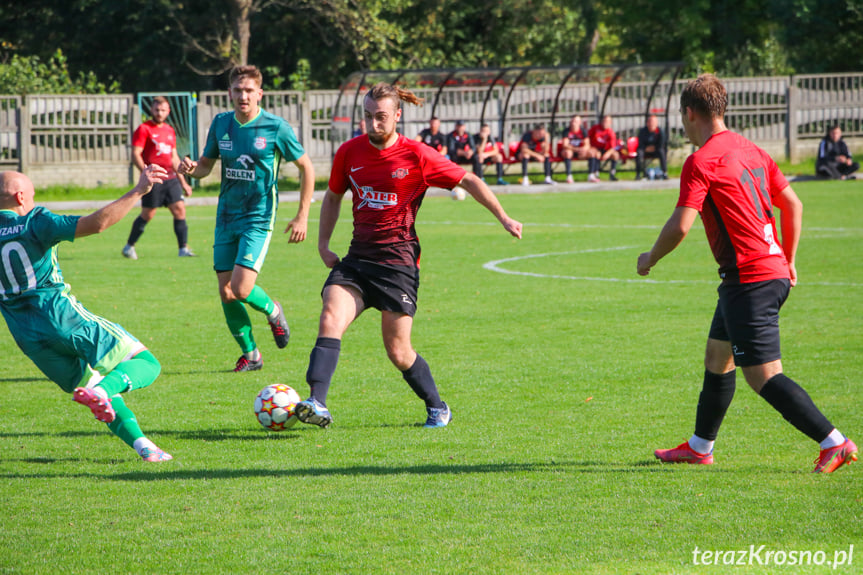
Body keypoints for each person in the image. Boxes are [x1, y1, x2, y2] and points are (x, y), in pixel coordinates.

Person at [637, 74, 856, 474]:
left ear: (689, 113)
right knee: (717, 356)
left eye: (682, 117)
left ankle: (834, 441)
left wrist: (650, 257)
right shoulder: (752, 150)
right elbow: (793, 205)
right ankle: (701, 446)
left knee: (764, 377)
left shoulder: (701, 161)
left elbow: (682, 225)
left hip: (750, 278)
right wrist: (788, 259)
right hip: (760, 272)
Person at [293, 82, 522, 430]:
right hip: (357, 260)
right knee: (329, 317)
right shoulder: (349, 152)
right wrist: (323, 244)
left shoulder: (417, 155)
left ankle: (437, 406)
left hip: (397, 265)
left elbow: (469, 180)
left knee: (398, 351)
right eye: (367, 117)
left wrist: (503, 217)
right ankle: (317, 402)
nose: (372, 125)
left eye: (381, 118)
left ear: (398, 116)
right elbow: (333, 197)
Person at [0, 166, 173, 462]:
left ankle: (144, 447)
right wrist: (137, 191)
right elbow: (97, 224)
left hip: (25, 335)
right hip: (62, 317)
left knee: (92, 389)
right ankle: (105, 391)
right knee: (147, 363)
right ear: (20, 196)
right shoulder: (35, 221)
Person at [178, 65, 315, 372]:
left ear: (260, 94)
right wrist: (190, 169)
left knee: (241, 288)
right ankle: (251, 355)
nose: (243, 96)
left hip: (258, 215)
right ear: (230, 93)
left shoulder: (275, 127)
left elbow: (307, 167)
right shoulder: (221, 123)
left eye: (249, 90)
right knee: (225, 291)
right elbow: (205, 166)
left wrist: (302, 215)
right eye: (238, 90)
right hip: (226, 216)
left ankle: (272, 309)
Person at [122, 96, 196, 260]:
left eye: (163, 110)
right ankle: (129, 246)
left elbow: (174, 158)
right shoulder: (144, 129)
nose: (160, 113)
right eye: (157, 110)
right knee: (148, 214)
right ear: (151, 110)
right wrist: (146, 174)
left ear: (168, 111)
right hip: (154, 179)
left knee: (180, 210)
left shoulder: (169, 130)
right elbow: (136, 153)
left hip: (171, 178)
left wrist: (184, 182)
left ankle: (183, 248)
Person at [559, 115, 600, 184]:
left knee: (592, 152)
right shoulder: (566, 131)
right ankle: (569, 176)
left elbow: (587, 144)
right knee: (567, 153)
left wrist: (583, 149)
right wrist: (576, 149)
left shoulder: (583, 131)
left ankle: (591, 175)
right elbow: (565, 145)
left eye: (576, 121)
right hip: (571, 151)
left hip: (581, 152)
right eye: (572, 121)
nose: (573, 123)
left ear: (580, 122)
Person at [635, 114, 668, 180]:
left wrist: (654, 148)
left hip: (656, 150)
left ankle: (664, 173)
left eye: (654, 122)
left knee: (662, 151)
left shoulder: (660, 132)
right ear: (647, 123)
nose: (652, 124)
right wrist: (645, 148)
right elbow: (640, 143)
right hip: (645, 150)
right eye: (650, 122)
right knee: (639, 153)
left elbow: (661, 144)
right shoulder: (643, 131)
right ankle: (638, 174)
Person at [588, 115, 620, 181]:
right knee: (596, 154)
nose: (605, 123)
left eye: (607, 121)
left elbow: (613, 147)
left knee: (615, 155)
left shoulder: (611, 132)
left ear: (610, 123)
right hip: (595, 148)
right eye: (604, 121)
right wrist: (589, 147)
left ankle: (612, 174)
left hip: (605, 150)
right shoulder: (595, 128)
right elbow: (587, 137)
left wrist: (607, 153)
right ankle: (595, 174)